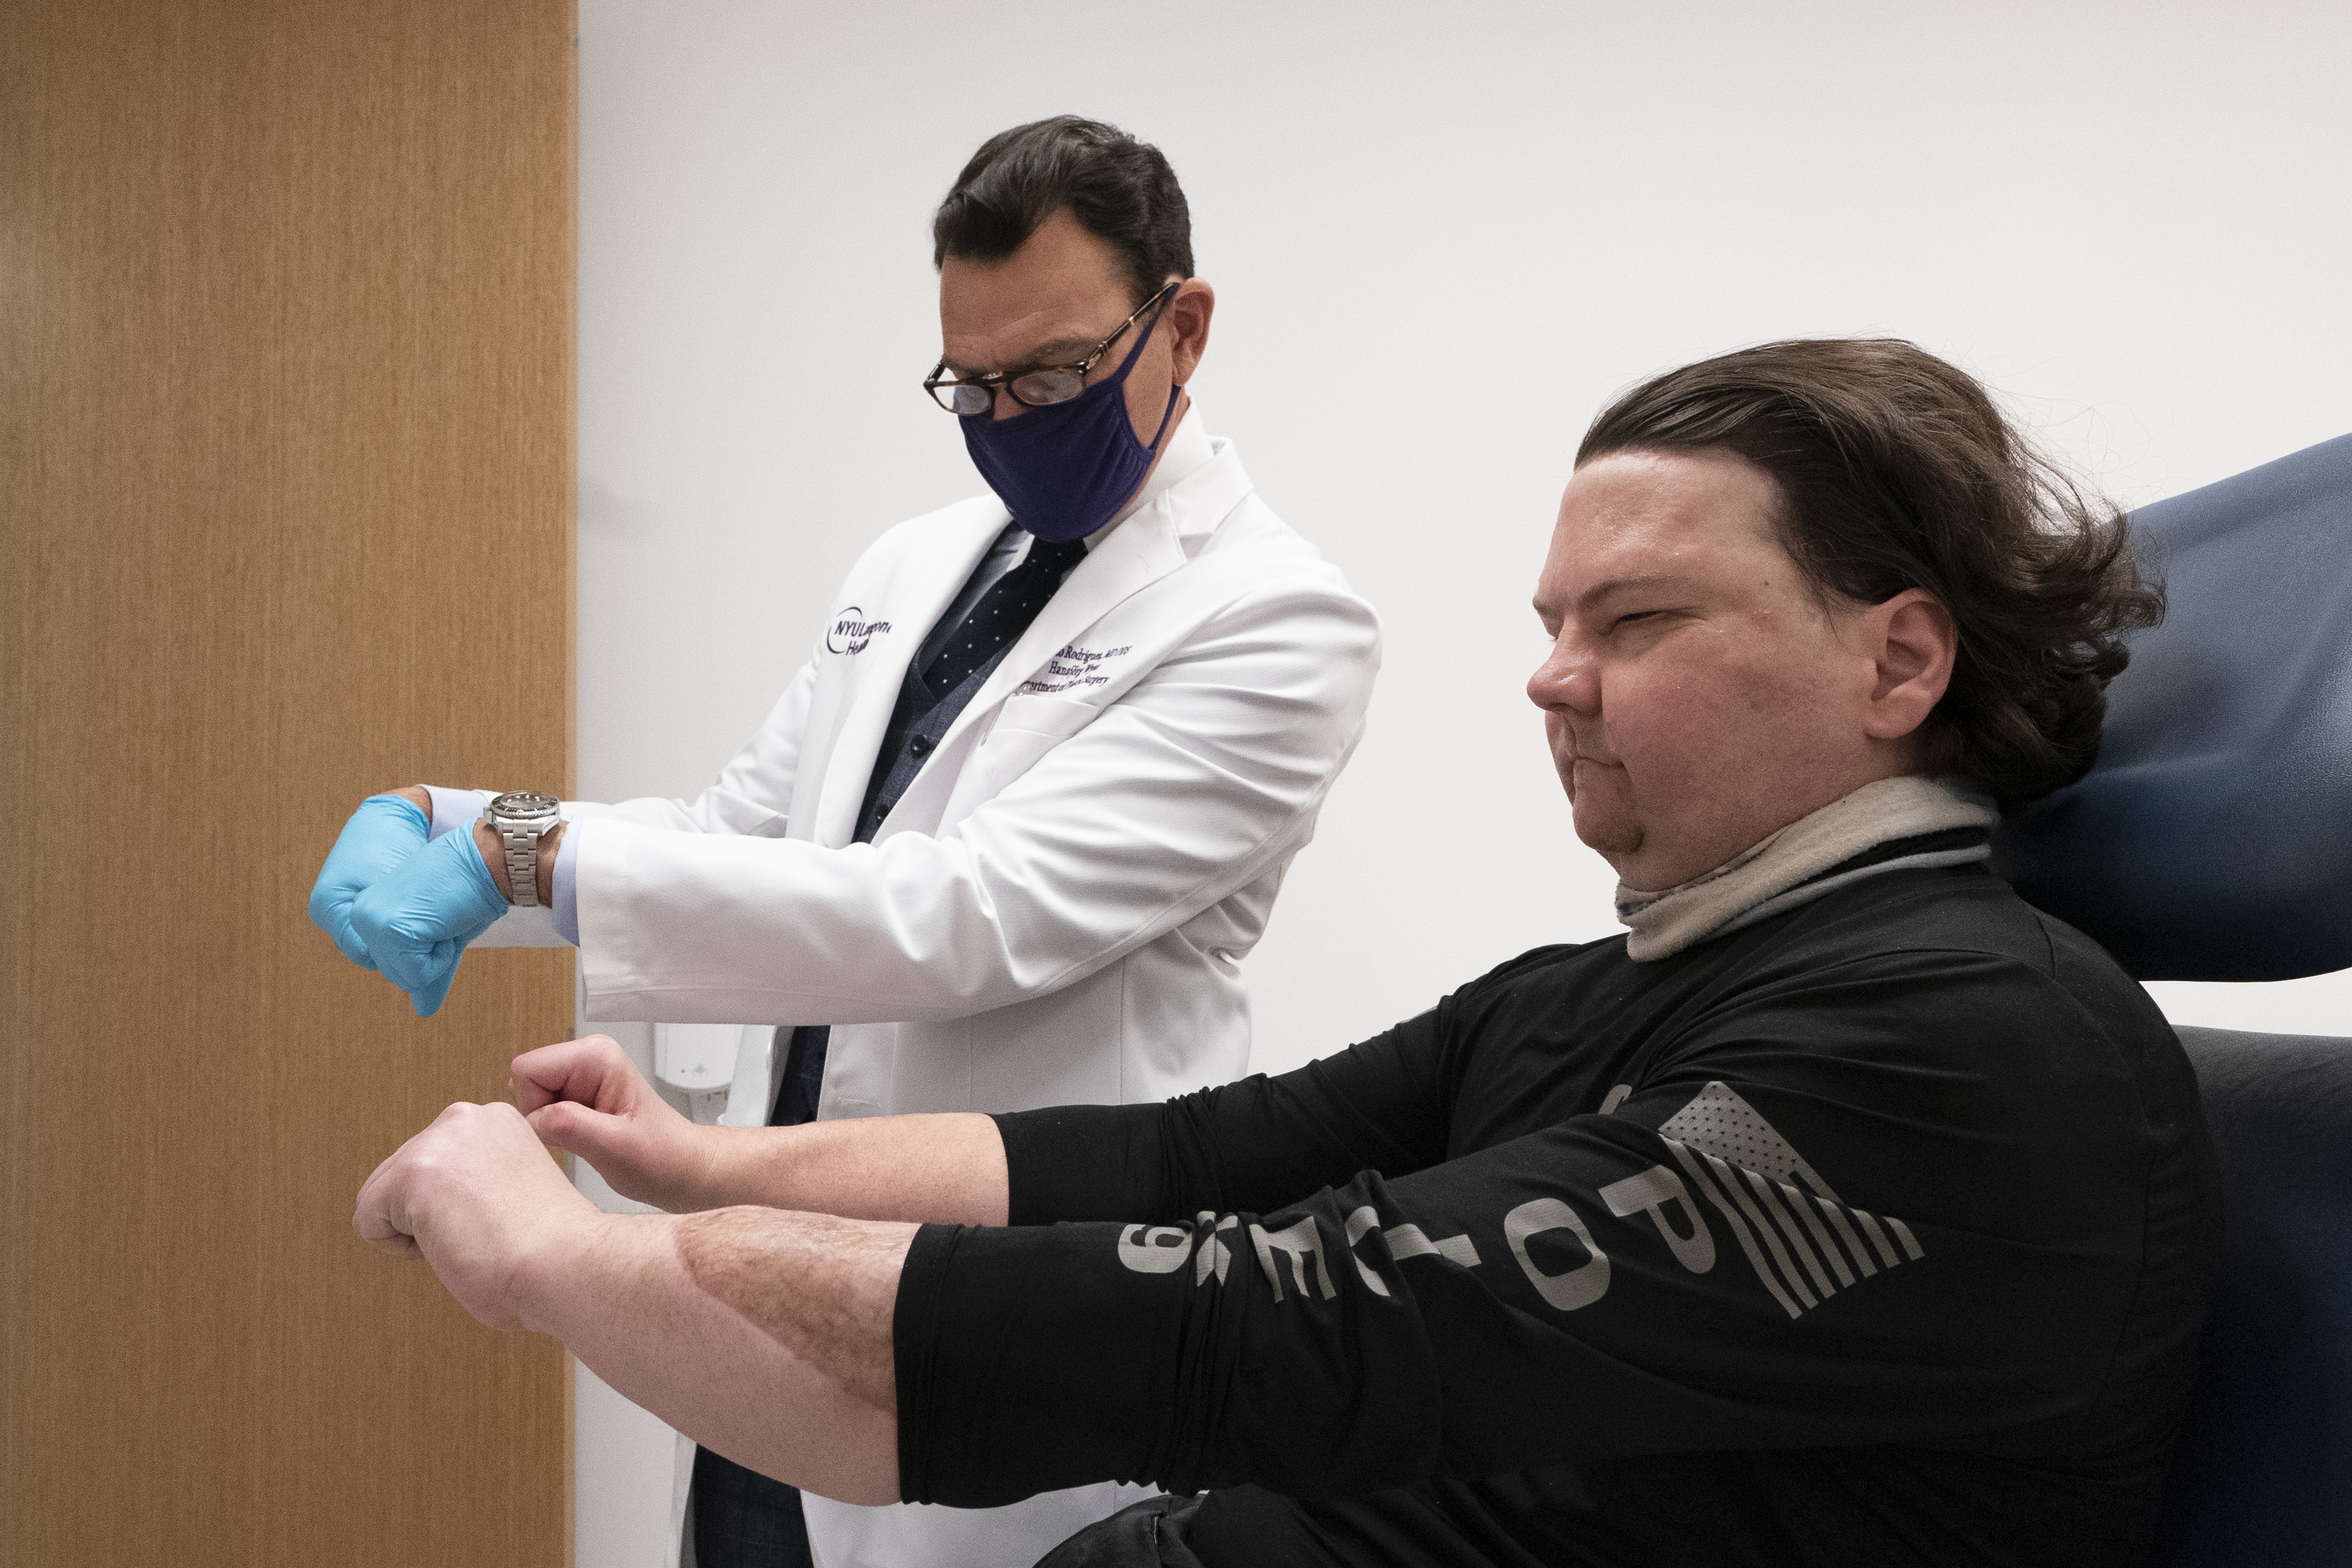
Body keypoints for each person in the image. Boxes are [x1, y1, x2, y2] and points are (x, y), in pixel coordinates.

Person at [355, 339, 2221, 1568]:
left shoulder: (1961, 1057)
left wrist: (547, 1260)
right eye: (1557, 619)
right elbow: (1170, 1163)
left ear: (1900, 662)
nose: (1551, 678)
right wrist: (700, 1166)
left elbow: (1239, 1321)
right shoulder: (1603, 993)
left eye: (1640, 619)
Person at [310, 116, 1380, 1568]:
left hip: (1014, 1318)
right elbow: (732, 833)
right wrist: (466, 826)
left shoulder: (1274, 619)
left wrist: (535, 863)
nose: (1009, 421)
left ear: (1181, 329)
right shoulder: (916, 561)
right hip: (768, 1286)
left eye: (1053, 375)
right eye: (972, 384)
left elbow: (965, 918)